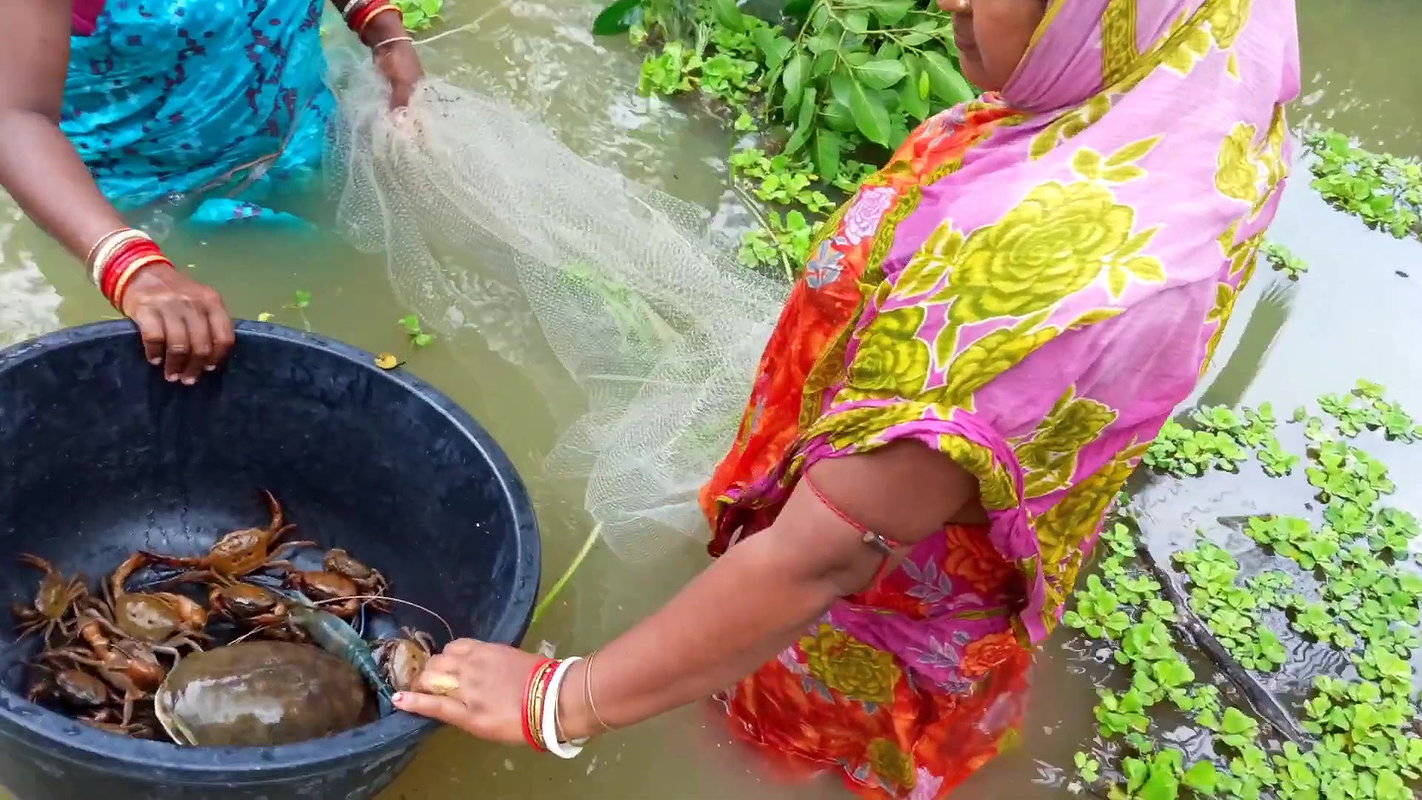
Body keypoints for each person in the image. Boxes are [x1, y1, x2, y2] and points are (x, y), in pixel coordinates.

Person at [393, 0, 1300, 797]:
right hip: (925, 513)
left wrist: (563, 700)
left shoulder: (1051, 291)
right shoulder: (1194, 70)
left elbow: (819, 564)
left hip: (878, 593)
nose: (948, 2)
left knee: (781, 737)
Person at [0, 0, 424, 384]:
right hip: (145, 209)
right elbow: (15, 116)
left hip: (305, 133)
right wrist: (132, 267)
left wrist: (379, 25)